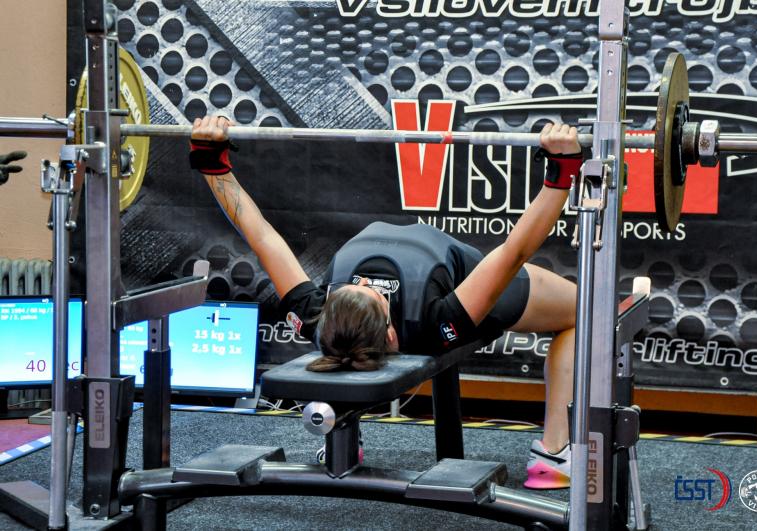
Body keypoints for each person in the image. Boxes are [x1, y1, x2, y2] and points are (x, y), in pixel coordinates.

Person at [189, 115, 581, 490]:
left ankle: (344, 433)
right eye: (371, 292)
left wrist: (212, 163)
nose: (364, 281)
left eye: (353, 286)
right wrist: (562, 170)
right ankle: (553, 454)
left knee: (344, 344)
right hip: (464, 277)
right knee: (580, 312)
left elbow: (261, 237)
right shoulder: (430, 322)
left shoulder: (314, 315)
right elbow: (513, 252)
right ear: (391, 333)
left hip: (413, 279)